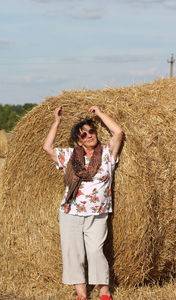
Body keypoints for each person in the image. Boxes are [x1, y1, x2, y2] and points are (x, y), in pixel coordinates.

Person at [43, 106, 123, 300]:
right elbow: (47, 147)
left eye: (91, 131)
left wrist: (100, 113)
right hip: (70, 211)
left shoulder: (106, 154)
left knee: (95, 250)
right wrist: (57, 122)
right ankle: (82, 293)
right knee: (73, 252)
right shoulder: (70, 156)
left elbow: (119, 132)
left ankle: (104, 290)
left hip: (97, 212)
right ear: (78, 140)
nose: (89, 136)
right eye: (84, 134)